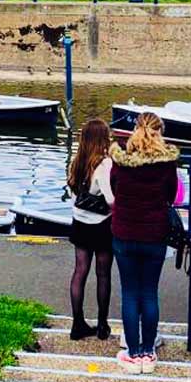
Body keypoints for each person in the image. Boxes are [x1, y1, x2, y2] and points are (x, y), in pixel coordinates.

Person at [110, 111, 179, 374]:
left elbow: (114, 188)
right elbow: (171, 195)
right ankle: (148, 353)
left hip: (125, 232)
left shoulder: (121, 161)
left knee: (130, 292)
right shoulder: (166, 164)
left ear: (136, 129)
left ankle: (132, 353)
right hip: (155, 234)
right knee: (149, 292)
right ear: (159, 131)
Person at [66, 118, 115, 341]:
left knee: (80, 271)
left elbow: (73, 193)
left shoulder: (76, 161)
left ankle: (77, 323)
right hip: (102, 224)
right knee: (103, 274)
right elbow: (111, 199)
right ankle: (103, 324)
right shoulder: (104, 164)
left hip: (79, 222)